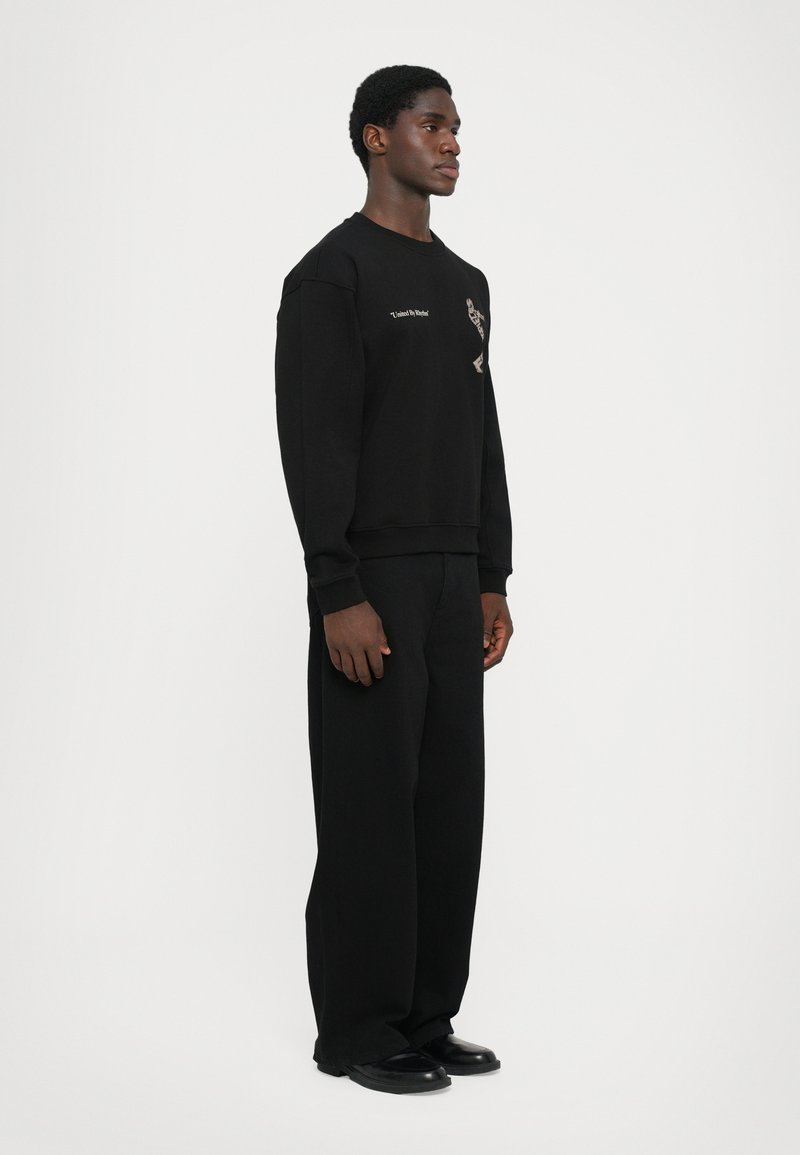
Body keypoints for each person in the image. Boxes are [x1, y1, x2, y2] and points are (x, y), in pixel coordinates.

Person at [274, 64, 514, 1095]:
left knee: (448, 804)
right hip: (370, 578)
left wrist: (492, 572)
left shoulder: (466, 285)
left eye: (455, 126)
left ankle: (423, 1014)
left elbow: (481, 433)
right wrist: (335, 588)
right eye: (431, 124)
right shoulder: (331, 276)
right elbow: (314, 439)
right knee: (369, 806)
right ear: (377, 138)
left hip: (453, 575)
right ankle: (358, 1030)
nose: (451, 141)